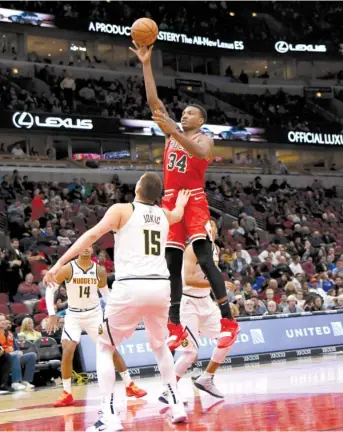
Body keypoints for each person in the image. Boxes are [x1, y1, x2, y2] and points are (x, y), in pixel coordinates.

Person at [44, 173, 190, 429]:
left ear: (136, 188)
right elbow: (177, 214)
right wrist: (182, 202)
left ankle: (109, 416)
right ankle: (176, 404)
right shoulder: (165, 214)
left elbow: (90, 236)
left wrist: (59, 262)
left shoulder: (122, 209)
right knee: (160, 346)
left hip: (131, 284)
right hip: (160, 286)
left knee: (104, 347)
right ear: (157, 195)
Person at [129, 43, 239, 350]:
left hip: (194, 199)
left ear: (199, 120)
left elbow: (199, 152)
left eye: (190, 113)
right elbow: (154, 102)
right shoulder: (171, 133)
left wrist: (175, 132)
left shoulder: (204, 138)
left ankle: (228, 319)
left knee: (204, 258)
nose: (184, 114)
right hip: (169, 201)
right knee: (171, 264)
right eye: (183, 112)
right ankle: (174, 325)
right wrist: (146, 64)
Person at [45, 245, 147, 408]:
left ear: (92, 250)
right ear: (77, 250)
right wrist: (52, 313)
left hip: (94, 314)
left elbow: (106, 294)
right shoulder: (68, 268)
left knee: (110, 348)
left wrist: (118, 312)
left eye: (89, 246)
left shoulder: (99, 270)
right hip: (74, 315)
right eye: (82, 246)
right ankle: (67, 393)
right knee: (68, 349)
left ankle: (129, 385)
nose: (86, 249)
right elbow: (50, 290)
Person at [159, 219, 234, 403]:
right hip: (188, 303)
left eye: (213, 227)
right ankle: (168, 391)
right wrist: (219, 284)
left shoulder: (215, 249)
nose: (210, 230)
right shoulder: (192, 248)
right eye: (206, 226)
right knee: (190, 353)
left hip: (206, 302)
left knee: (228, 337)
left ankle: (207, 378)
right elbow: (190, 279)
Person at [0, 314, 37, 391]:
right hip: (3, 358)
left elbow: (15, 347)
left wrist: (19, 349)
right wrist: (11, 351)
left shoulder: (9, 333)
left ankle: (26, 380)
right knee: (16, 355)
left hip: (14, 356)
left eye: (4, 320)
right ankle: (15, 382)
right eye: (0, 320)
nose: (3, 322)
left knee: (32, 355)